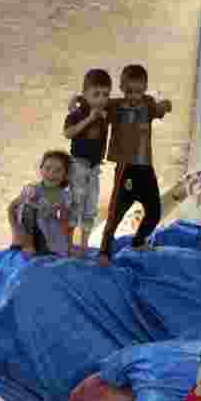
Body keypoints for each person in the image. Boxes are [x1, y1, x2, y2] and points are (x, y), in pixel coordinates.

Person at [69, 64, 174, 266]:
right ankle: (104, 252)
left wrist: (166, 105)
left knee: (154, 211)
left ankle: (138, 241)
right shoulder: (114, 105)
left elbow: (160, 108)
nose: (134, 96)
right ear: (122, 87)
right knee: (115, 214)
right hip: (125, 169)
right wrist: (77, 100)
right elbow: (93, 101)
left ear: (145, 89)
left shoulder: (148, 105)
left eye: (139, 91)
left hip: (145, 167)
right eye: (129, 91)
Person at [62, 69, 112, 258]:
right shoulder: (78, 112)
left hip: (94, 167)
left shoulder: (106, 111)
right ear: (86, 95)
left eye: (105, 94)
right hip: (78, 164)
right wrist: (88, 118)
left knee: (91, 206)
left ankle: (83, 246)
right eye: (96, 94)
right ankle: (68, 245)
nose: (101, 99)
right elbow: (68, 133)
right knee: (76, 203)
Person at [7, 150, 74, 257]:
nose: (51, 173)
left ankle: (45, 247)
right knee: (28, 206)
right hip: (27, 233)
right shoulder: (31, 189)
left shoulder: (64, 196)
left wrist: (68, 246)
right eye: (47, 168)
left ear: (66, 175)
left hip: (47, 233)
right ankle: (28, 244)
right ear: (41, 169)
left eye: (58, 170)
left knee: (52, 252)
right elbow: (11, 209)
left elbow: (65, 222)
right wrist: (16, 233)